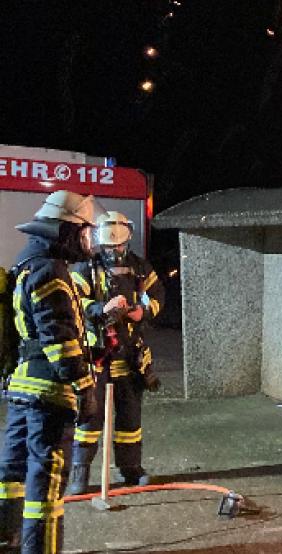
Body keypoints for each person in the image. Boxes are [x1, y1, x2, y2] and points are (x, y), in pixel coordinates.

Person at [0, 190, 104, 553]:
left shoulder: (25, 263)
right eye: (85, 231)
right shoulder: (51, 271)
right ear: (65, 231)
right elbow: (60, 339)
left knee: (12, 471)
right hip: (49, 392)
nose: (89, 240)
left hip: (22, 387)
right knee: (46, 480)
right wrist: (84, 387)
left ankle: (6, 537)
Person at [65, 212, 165, 495]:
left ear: (127, 240)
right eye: (109, 247)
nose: (114, 251)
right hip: (97, 356)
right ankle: (79, 475)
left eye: (119, 246)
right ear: (100, 243)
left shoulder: (141, 268)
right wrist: (100, 310)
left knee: (130, 417)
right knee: (89, 417)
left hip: (130, 355)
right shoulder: (86, 268)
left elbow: (158, 296)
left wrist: (140, 312)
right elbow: (74, 300)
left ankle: (131, 469)